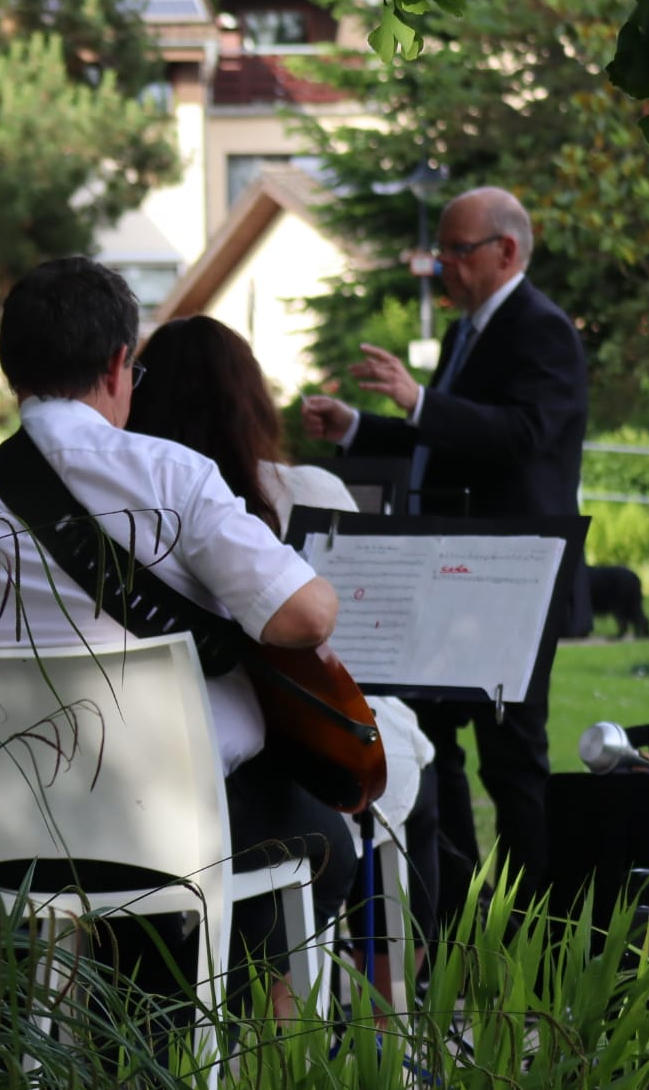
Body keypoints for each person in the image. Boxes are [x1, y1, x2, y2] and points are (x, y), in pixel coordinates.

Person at [0, 258, 354, 1009]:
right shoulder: (171, 475)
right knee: (327, 841)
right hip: (167, 833)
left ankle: (118, 1034)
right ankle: (210, 1045)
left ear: (14, 371)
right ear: (116, 365)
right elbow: (305, 616)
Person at [302, 186, 588, 915]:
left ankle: (537, 931)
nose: (442, 267)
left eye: (457, 251)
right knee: (435, 739)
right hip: (451, 571)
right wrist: (358, 428)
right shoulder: (469, 330)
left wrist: (421, 402)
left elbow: (524, 434)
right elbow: (445, 433)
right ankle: (455, 912)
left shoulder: (542, 328)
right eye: (441, 252)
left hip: (509, 577)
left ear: (507, 251)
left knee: (512, 757)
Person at [129, 313, 440, 964]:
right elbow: (342, 637)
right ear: (251, 402)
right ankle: (386, 999)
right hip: (252, 764)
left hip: (132, 764)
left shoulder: (120, 506)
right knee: (406, 750)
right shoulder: (306, 489)